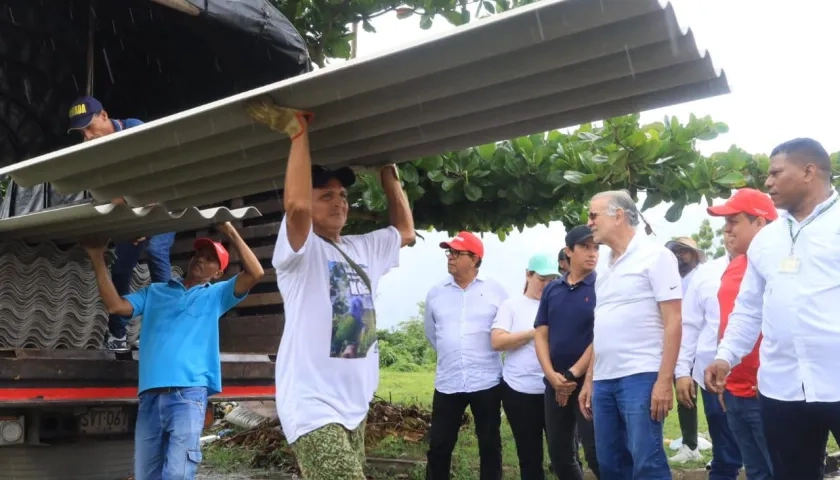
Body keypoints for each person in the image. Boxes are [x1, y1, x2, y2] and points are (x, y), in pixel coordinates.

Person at [261, 106, 415, 480]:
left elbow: (406, 232)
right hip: (313, 406)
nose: (338, 201)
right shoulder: (298, 252)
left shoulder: (362, 248)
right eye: (326, 194)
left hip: (355, 405)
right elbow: (296, 206)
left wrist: (387, 173)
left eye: (342, 194)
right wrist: (298, 135)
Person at [82, 222, 263, 479]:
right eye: (199, 253)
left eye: (210, 258)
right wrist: (97, 258)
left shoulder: (217, 295)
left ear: (218, 273)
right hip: (150, 396)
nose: (201, 258)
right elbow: (115, 306)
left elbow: (255, 273)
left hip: (188, 395)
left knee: (177, 474)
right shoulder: (156, 291)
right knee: (146, 475)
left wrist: (229, 231)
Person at [706, 138, 840, 480]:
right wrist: (726, 355)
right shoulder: (766, 240)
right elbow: (749, 308)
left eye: (777, 173)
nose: (768, 183)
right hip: (782, 387)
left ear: (809, 171)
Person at [578, 190, 682, 479]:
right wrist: (590, 379)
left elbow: (674, 321)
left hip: (641, 375)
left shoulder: (656, 256)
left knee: (647, 462)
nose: (589, 223)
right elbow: (602, 325)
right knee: (610, 464)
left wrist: (664, 381)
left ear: (619, 215)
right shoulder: (605, 266)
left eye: (593, 215)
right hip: (604, 379)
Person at [68, 95, 176, 352]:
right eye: (81, 133)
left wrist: (145, 223)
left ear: (104, 115)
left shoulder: (136, 130)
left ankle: (165, 329)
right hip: (131, 212)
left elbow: (160, 176)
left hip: (161, 206)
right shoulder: (94, 150)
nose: (88, 136)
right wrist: (132, 222)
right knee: (120, 270)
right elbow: (108, 194)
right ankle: (117, 335)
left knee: (157, 252)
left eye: (90, 127)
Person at [424, 231, 508, 480]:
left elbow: (504, 330)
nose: (450, 257)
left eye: (456, 253)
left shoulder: (496, 291)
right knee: (439, 444)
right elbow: (432, 333)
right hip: (448, 381)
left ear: (474, 259)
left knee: (490, 445)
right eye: (449, 252)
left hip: (486, 381)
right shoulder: (436, 292)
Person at [706, 188, 777, 480]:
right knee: (757, 472)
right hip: (735, 393)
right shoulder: (735, 266)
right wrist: (730, 381)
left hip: (770, 394)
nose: (726, 229)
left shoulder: (779, 265)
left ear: (759, 223)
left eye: (734, 221)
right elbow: (733, 324)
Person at [669, 237, 744, 478]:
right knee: (724, 451)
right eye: (726, 224)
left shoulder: (769, 267)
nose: (729, 230)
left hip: (756, 376)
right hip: (711, 376)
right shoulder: (707, 274)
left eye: (735, 221)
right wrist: (682, 371)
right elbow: (690, 326)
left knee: (764, 450)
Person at [534, 226, 600, 480]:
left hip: (587, 384)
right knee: (560, 455)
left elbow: (599, 337)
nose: (592, 253)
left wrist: (572, 375)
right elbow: (541, 332)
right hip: (555, 383)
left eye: (596, 248)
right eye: (585, 247)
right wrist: (552, 375)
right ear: (569, 252)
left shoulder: (601, 287)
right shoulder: (553, 289)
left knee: (596, 453)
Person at [490, 253, 559, 480]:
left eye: (551, 279)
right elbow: (498, 341)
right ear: (528, 275)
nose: (546, 285)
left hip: (555, 390)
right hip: (519, 391)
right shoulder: (512, 306)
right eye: (541, 278)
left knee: (563, 455)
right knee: (529, 456)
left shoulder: (559, 304)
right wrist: (534, 332)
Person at [665, 237, 706, 463]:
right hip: (681, 346)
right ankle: (690, 443)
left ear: (694, 254)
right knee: (684, 395)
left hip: (700, 347)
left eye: (684, 252)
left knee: (711, 401)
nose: (679, 256)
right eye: (676, 252)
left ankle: (693, 445)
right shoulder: (677, 280)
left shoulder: (700, 278)